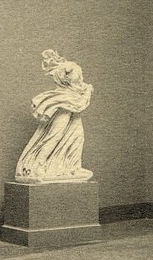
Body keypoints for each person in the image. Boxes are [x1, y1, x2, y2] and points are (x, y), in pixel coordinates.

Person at [15, 50, 94, 183]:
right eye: (78, 77)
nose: (81, 79)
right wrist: (87, 92)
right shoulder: (65, 97)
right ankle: (39, 165)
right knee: (54, 136)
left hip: (72, 114)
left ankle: (73, 167)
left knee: (77, 137)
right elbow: (79, 104)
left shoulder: (72, 93)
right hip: (65, 113)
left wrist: (86, 90)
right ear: (68, 80)